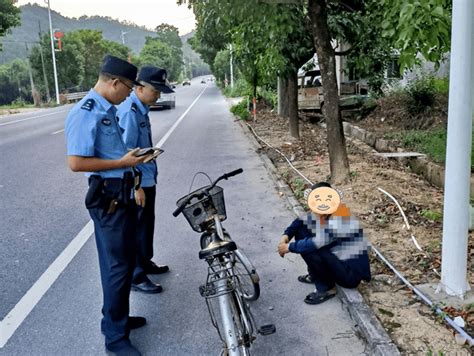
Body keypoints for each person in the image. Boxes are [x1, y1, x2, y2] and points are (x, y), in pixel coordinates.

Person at [65, 54, 154, 356]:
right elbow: (76, 163)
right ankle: (115, 339)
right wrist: (121, 162)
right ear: (114, 82)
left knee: (123, 263)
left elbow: (112, 150)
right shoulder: (86, 112)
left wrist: (132, 156)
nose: (130, 93)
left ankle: (117, 319)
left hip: (123, 190)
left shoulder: (108, 108)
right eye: (128, 87)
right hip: (109, 196)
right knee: (117, 266)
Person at [116, 66, 174, 294]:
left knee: (146, 224)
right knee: (137, 227)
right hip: (138, 183)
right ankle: (136, 275)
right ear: (140, 88)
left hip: (148, 178)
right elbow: (128, 154)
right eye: (155, 90)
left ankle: (146, 261)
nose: (158, 94)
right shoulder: (130, 112)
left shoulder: (141, 109)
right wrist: (136, 186)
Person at [277, 182, 371, 305]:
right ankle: (315, 274)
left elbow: (316, 243)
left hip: (350, 275)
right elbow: (300, 221)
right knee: (302, 231)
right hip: (339, 260)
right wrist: (286, 236)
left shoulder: (341, 218)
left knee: (311, 247)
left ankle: (327, 288)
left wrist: (288, 247)